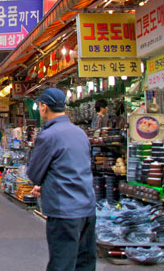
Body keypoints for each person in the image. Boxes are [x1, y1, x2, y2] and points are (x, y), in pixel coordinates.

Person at [26, 88, 96, 271]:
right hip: (87, 208)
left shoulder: (49, 136)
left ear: (44, 108)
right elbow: (73, 169)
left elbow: (34, 173)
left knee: (62, 264)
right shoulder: (80, 133)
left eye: (40, 106)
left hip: (64, 210)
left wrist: (42, 184)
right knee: (84, 264)